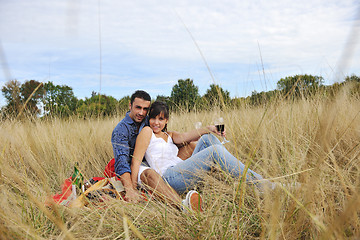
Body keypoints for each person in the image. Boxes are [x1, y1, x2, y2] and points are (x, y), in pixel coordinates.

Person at [131, 101, 275, 195]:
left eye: (161, 119)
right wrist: (132, 189)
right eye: (153, 118)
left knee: (207, 138)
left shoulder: (169, 135)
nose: (156, 122)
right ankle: (264, 186)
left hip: (181, 170)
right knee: (215, 152)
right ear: (148, 119)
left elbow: (188, 135)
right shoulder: (147, 132)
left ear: (166, 120)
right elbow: (136, 161)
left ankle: (237, 177)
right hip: (169, 178)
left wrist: (210, 128)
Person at [111, 91, 202, 211]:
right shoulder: (121, 130)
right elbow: (122, 162)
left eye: (145, 109)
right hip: (138, 167)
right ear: (130, 106)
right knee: (150, 173)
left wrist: (203, 132)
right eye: (138, 107)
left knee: (193, 145)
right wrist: (130, 189)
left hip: (156, 160)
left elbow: (164, 131)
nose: (141, 113)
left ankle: (211, 180)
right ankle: (182, 206)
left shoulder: (148, 119)